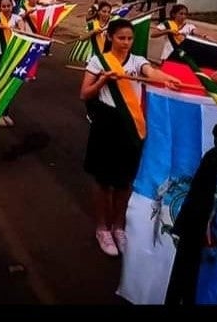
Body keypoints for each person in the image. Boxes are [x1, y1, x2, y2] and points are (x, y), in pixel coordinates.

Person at [79, 18, 182, 256]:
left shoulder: (138, 61)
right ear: (110, 38)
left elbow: (151, 71)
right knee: (103, 180)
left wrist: (165, 78)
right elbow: (84, 93)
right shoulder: (98, 61)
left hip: (131, 127)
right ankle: (103, 228)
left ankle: (119, 226)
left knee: (125, 181)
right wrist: (103, 80)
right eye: (121, 38)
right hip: (105, 126)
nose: (126, 43)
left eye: (129, 38)